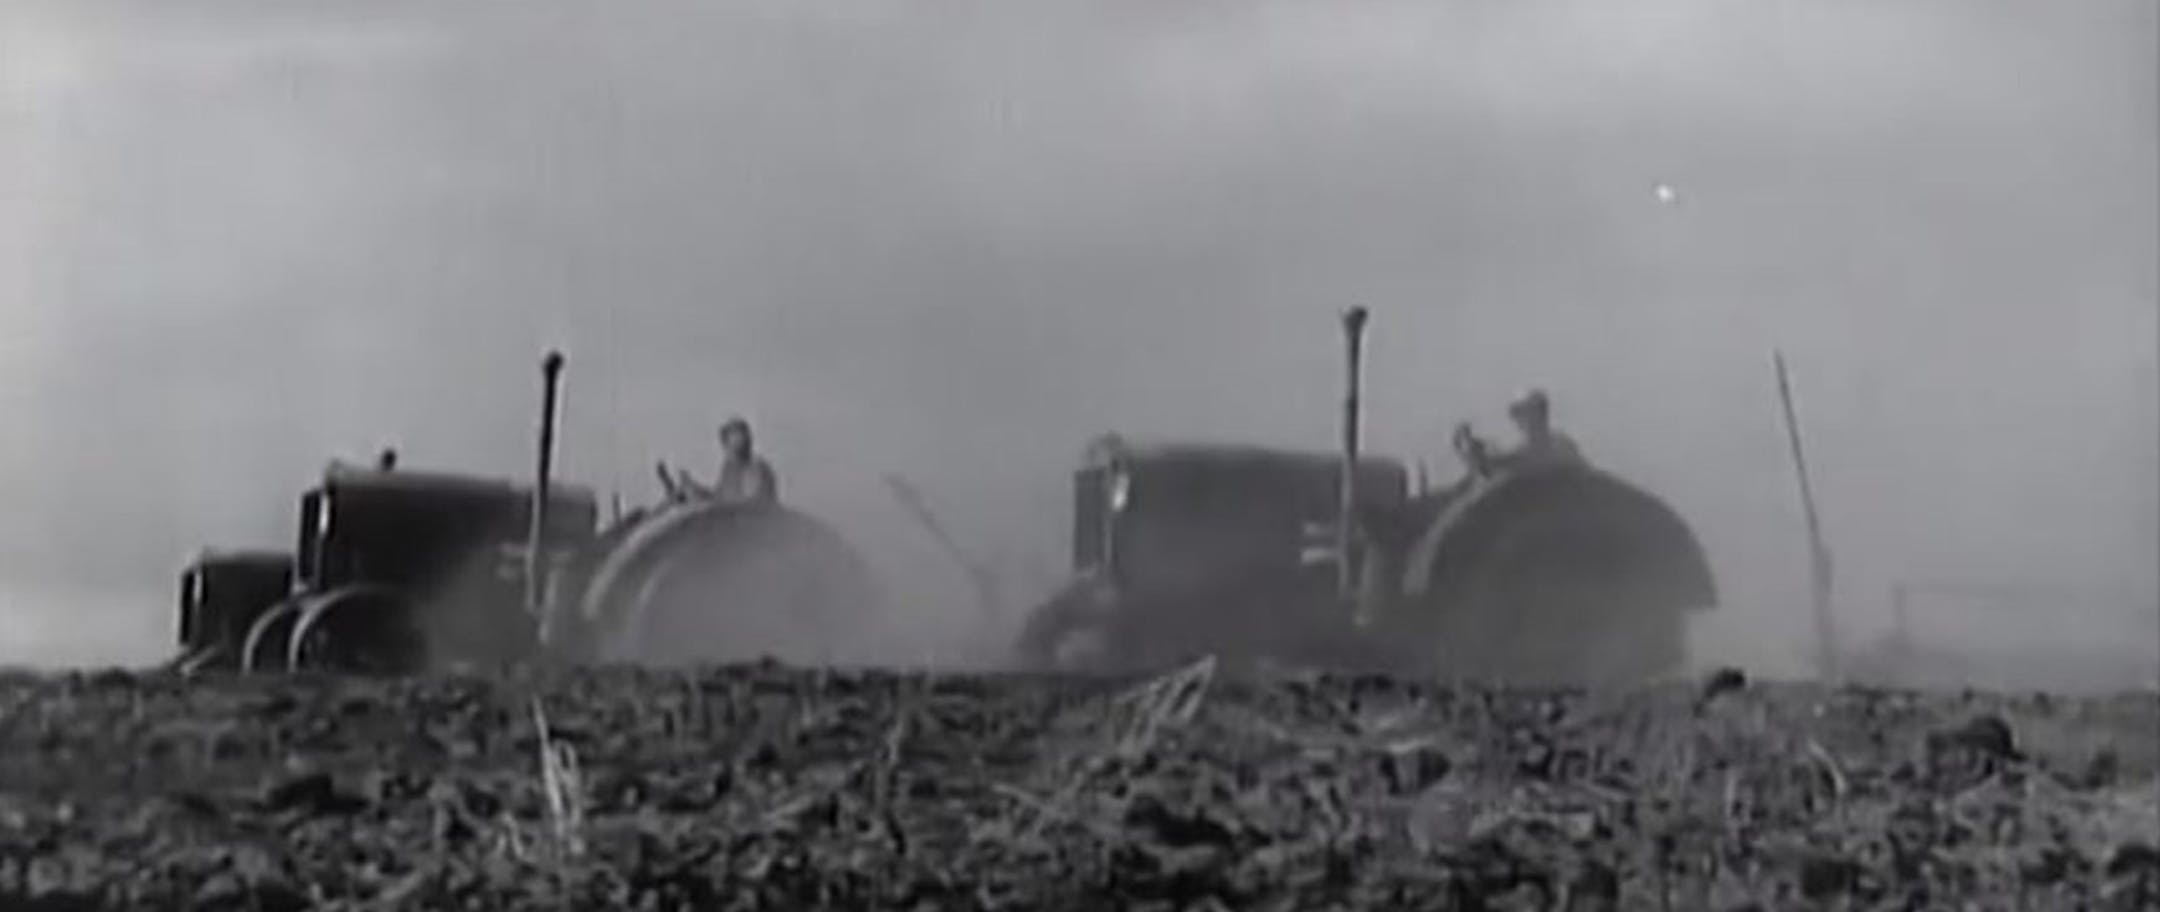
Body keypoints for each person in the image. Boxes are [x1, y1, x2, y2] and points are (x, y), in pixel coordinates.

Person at [1494, 388, 1586, 473]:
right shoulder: (1522, 449)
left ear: (1539, 414)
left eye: (1523, 413)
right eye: (1517, 415)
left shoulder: (1562, 444)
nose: (1518, 421)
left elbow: (1533, 456)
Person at [711, 417, 779, 505]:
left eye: (738, 441)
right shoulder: (729, 468)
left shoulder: (756, 468)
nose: (728, 452)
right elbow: (718, 499)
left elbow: (749, 505)